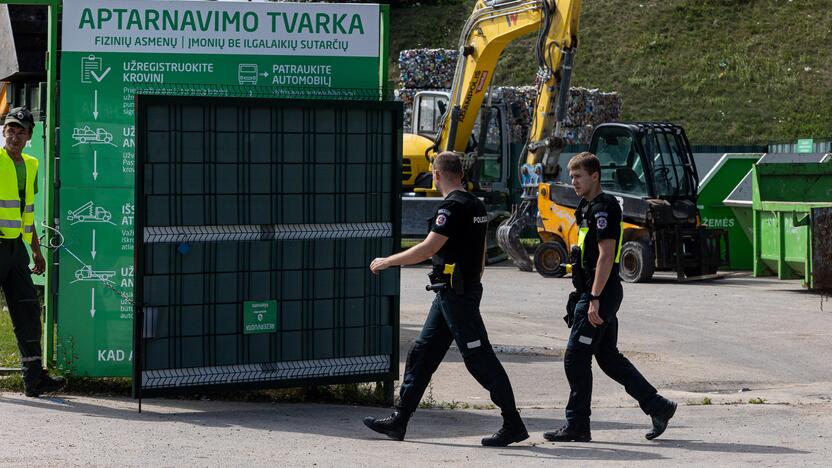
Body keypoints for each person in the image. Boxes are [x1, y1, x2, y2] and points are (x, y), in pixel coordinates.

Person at [363, 151, 528, 447]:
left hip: (457, 295)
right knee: (423, 353)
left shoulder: (452, 207)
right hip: (452, 293)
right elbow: (480, 256)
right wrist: (473, 284)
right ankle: (400, 420)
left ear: (436, 174)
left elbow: (428, 249)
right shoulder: (475, 204)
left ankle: (512, 423)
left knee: (480, 359)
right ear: (461, 174)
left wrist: (387, 261)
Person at [544, 152, 676, 443]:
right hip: (594, 291)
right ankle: (658, 406)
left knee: (575, 358)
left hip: (600, 293)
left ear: (594, 176)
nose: (573, 182)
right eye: (572, 176)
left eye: (578, 176)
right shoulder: (587, 206)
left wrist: (593, 298)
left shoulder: (604, 208)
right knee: (607, 358)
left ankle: (577, 424)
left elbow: (605, 256)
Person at [0, 106, 65, 397]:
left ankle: (34, 379)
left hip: (16, 251)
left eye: (20, 131)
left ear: (29, 136)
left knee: (28, 311)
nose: (14, 135)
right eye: (9, 129)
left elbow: (27, 212)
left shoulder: (32, 164)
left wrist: (36, 251)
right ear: (3, 132)